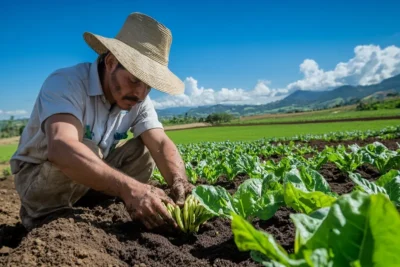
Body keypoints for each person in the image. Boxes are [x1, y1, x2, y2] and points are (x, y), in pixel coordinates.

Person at [10, 12, 194, 231]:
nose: (141, 94)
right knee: (84, 147)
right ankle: (45, 218)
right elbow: (61, 148)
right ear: (110, 62)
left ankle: (101, 207)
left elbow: (161, 143)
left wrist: (179, 182)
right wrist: (131, 189)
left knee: (143, 152)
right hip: (40, 180)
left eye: (148, 86)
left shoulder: (137, 98)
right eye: (134, 79)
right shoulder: (66, 83)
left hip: (85, 180)